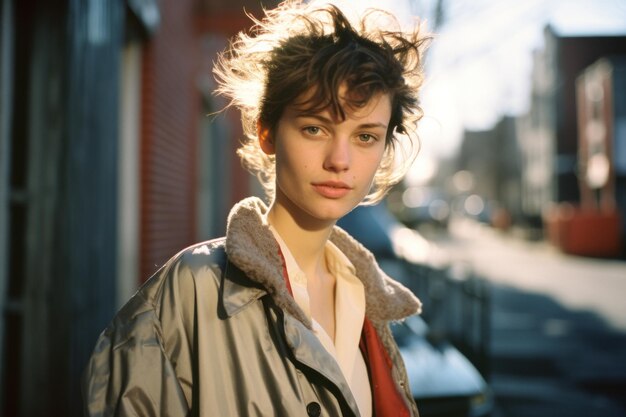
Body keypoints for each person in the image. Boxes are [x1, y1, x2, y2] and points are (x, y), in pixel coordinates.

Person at [82, 1, 430, 416]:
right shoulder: (193, 290)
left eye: (365, 137)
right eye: (315, 128)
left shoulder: (371, 306)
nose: (340, 160)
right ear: (267, 132)